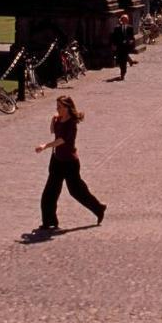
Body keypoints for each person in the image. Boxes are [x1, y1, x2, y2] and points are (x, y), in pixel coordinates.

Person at [36, 95, 106, 231]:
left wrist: (45, 146)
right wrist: (53, 120)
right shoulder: (59, 119)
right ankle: (49, 221)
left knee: (76, 191)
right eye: (57, 107)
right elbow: (52, 131)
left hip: (69, 163)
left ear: (68, 108)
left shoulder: (71, 124)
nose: (57, 109)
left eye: (60, 107)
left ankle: (98, 208)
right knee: (49, 193)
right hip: (56, 161)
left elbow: (61, 140)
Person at [110, 13, 136, 80]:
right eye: (124, 19)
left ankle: (123, 73)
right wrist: (114, 44)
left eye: (127, 19)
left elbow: (132, 37)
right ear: (122, 20)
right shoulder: (117, 28)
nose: (126, 21)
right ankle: (125, 67)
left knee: (124, 60)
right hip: (119, 46)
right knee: (120, 60)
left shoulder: (130, 28)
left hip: (126, 47)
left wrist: (131, 41)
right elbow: (114, 37)